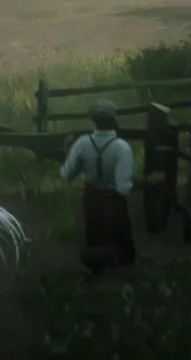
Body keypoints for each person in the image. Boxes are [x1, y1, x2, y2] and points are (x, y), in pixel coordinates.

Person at [60, 100, 137, 273]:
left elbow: (66, 174)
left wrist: (67, 153)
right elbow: (123, 187)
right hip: (114, 200)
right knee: (121, 243)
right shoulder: (122, 148)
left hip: (91, 198)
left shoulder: (82, 144)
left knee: (95, 236)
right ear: (114, 120)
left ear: (94, 121)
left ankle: (97, 264)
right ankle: (119, 265)